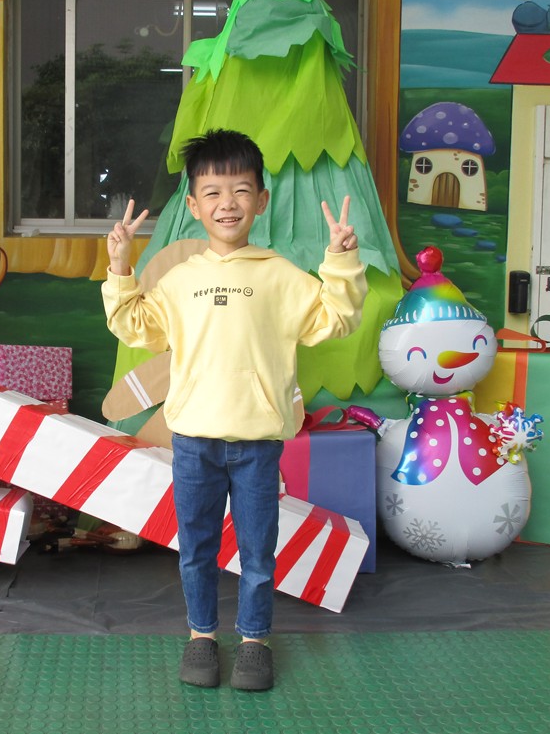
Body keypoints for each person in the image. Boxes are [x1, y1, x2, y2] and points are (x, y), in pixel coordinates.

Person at [101, 129, 367, 691]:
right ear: (194, 205)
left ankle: (254, 642)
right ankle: (201, 636)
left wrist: (341, 260)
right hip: (193, 443)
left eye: (242, 190)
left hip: (257, 444)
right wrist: (120, 268)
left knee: (258, 550)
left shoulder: (281, 276)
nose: (228, 203)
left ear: (261, 200)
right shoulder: (180, 281)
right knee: (196, 549)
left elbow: (335, 319)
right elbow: (135, 325)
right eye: (213, 192)